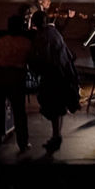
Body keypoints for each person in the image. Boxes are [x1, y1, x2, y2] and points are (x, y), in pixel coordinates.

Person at [29, 11, 80, 154]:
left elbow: (43, 59)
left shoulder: (43, 36)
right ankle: (56, 136)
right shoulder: (53, 32)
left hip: (54, 75)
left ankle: (56, 136)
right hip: (64, 73)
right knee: (58, 107)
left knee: (53, 106)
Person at [0, 14, 34, 152]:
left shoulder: (0, 41)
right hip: (15, 77)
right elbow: (30, 61)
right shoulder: (26, 42)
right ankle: (23, 143)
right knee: (19, 111)